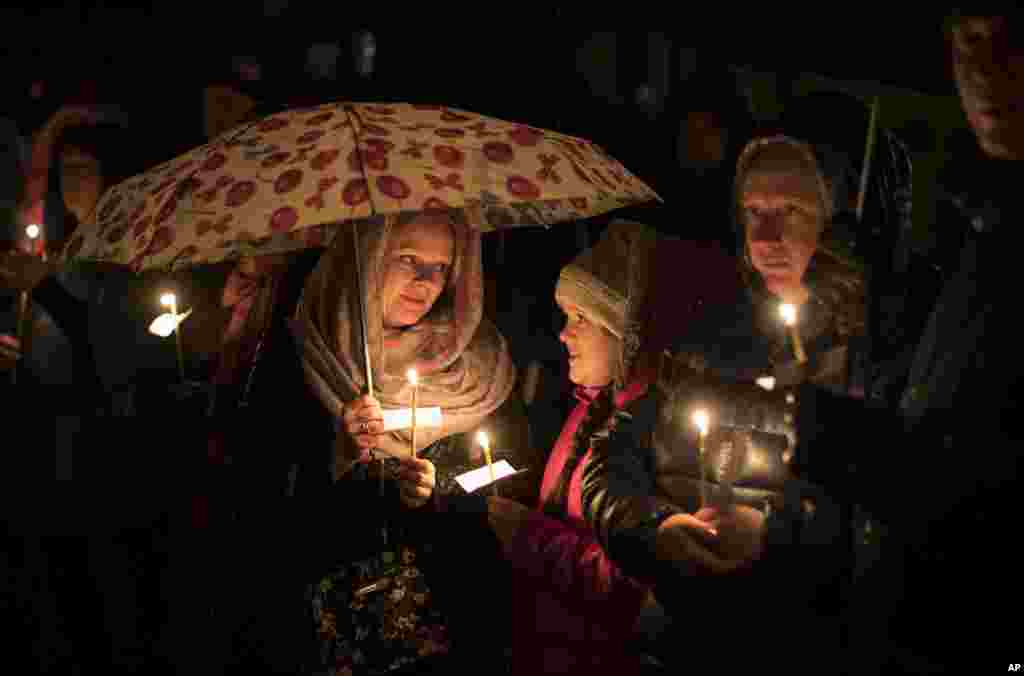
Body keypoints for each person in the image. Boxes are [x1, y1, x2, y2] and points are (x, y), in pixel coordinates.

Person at [577, 95, 915, 673]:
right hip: (678, 644)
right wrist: (651, 530)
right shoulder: (707, 333)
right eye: (754, 211)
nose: (766, 237)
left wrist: (776, 541)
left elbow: (907, 521)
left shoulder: (889, 355)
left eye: (793, 211)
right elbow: (610, 458)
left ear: (843, 218)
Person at [784, 12, 1024, 673]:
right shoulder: (978, 232)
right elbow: (934, 404)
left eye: (1007, 36)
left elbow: (982, 495)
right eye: (966, 39)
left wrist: (823, 430)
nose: (983, 65)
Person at [207, 211, 525, 675]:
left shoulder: (477, 361)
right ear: (366, 258)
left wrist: (437, 490)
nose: (425, 280)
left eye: (441, 266)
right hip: (333, 618)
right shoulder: (301, 350)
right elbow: (254, 495)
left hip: (452, 615)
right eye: (408, 258)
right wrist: (339, 450)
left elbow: (509, 478)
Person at [472, 219, 732, 675]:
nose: (563, 334)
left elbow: (648, 598)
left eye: (580, 319)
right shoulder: (591, 407)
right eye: (564, 317)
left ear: (628, 330)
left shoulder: (665, 436)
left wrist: (528, 537)